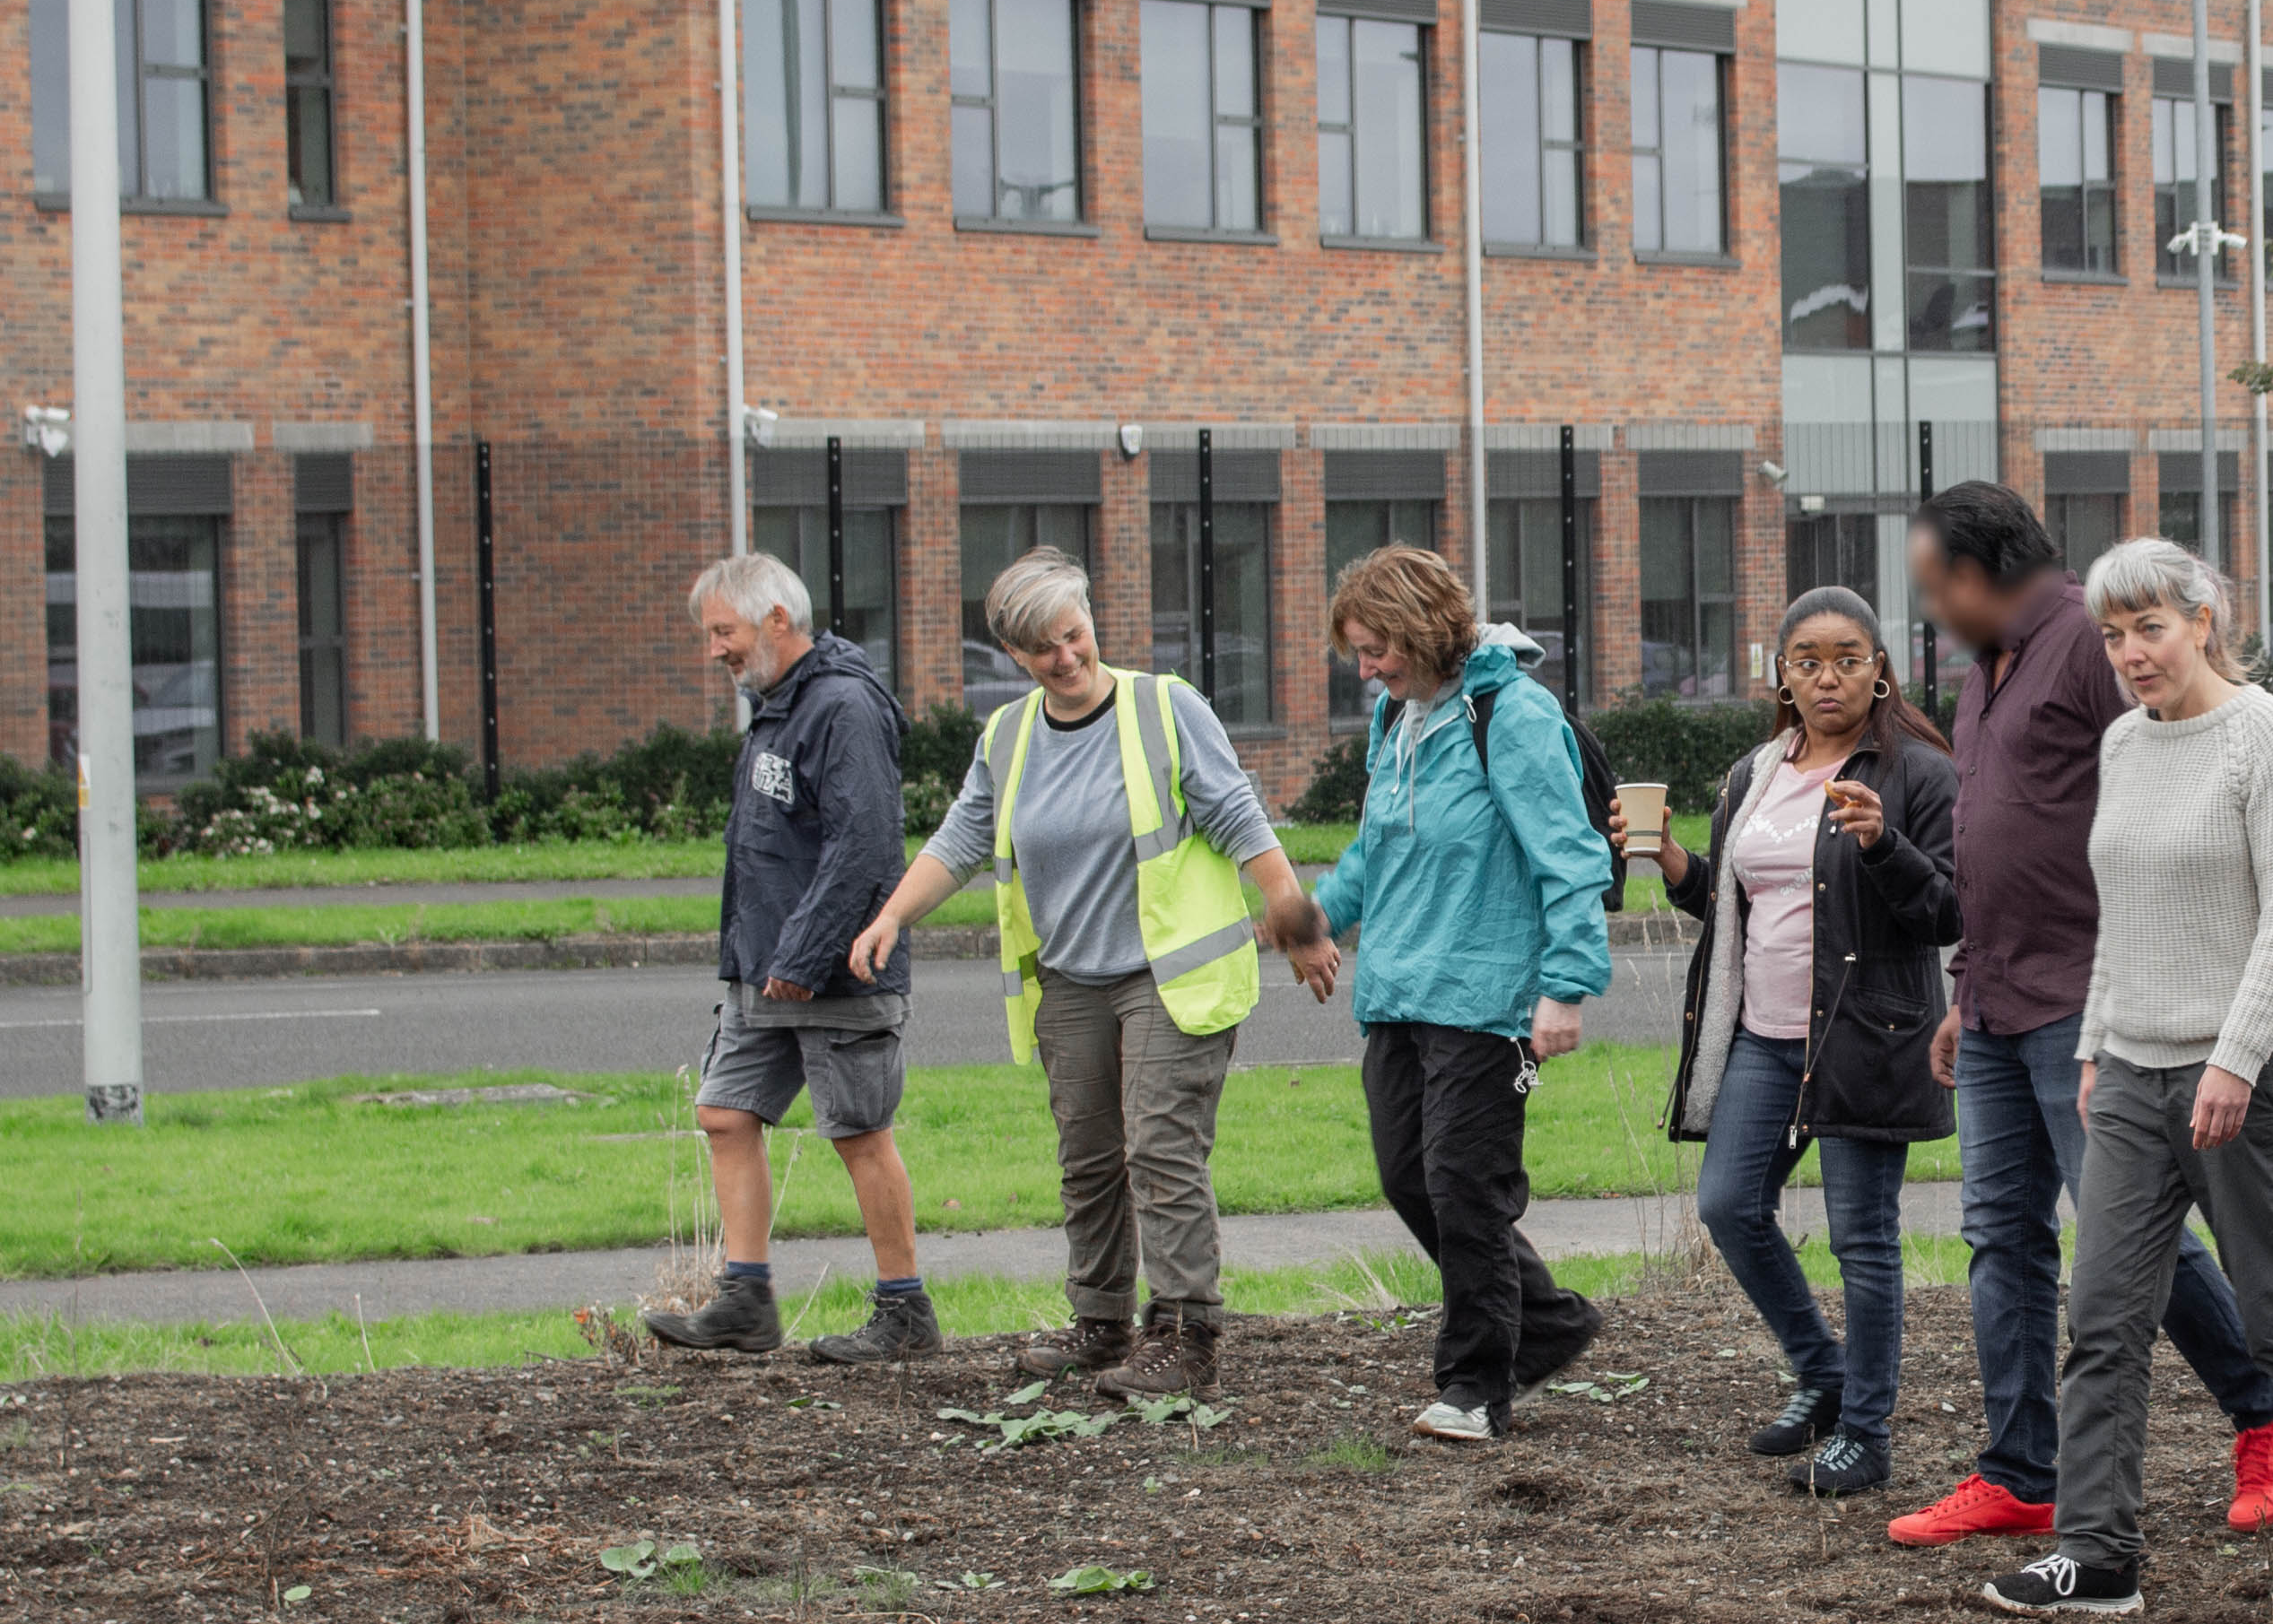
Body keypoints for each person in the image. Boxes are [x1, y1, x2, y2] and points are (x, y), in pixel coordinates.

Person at [1980, 537, 2273, 1620]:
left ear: (2203, 619)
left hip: (2247, 1070)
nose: (2132, 653)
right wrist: (2092, 1045)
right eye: (2114, 635)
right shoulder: (2125, 744)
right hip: (2130, 1069)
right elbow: (2117, 914)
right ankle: (2097, 1553)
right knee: (2105, 1314)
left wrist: (2232, 1055)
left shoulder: (2267, 735)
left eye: (2151, 629)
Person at [1885, 483, 2273, 1551]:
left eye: (1939, 583)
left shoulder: (2088, 639)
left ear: (1984, 573)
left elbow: (2183, 773)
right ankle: (2022, 1470)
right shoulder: (1986, 673)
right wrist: (1964, 977)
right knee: (2000, 1240)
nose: (1931, 607)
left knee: (2135, 1248)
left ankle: (2267, 1416)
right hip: (1993, 999)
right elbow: (1996, 837)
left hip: (2093, 1002)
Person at [845, 552, 1313, 1399]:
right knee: (1090, 1159)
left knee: (1161, 1149)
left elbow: (1237, 811)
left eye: (1074, 635)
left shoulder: (1163, 707)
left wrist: (1292, 910)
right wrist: (890, 918)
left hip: (1170, 976)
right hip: (1070, 981)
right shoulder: (1009, 736)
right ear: (1014, 655)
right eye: (1042, 648)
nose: (1065, 658)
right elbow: (960, 839)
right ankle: (1101, 1326)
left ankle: (1186, 1334)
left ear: (1091, 620)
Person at [1635, 586, 1963, 1501]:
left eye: (1848, 659)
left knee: (1865, 1240)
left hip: (1866, 1037)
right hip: (1764, 1037)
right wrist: (1673, 865)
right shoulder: (1756, 772)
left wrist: (1884, 846)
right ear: (1780, 673)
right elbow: (1732, 908)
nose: (1828, 678)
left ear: (1881, 669)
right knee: (1730, 1205)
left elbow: (1948, 910)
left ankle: (1866, 1432)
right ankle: (1822, 1371)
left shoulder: (1919, 775)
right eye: (1807, 660)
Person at [1285, 543, 1615, 1444]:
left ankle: (1475, 1385)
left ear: (1425, 630)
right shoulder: (1399, 723)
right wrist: (1317, 918)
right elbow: (1374, 851)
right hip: (1398, 992)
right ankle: (1544, 1323)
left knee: (1465, 1187)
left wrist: (1567, 987)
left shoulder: (1509, 715)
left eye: (1376, 648)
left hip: (1486, 997)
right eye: (1356, 652)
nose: (1366, 669)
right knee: (1408, 1178)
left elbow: (1571, 856)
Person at [654, 551, 938, 1360]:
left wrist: (809, 953)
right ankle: (746, 1303)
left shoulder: (842, 706)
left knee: (857, 1131)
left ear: (777, 619)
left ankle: (906, 1312)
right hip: (763, 966)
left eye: (724, 631)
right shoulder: (775, 703)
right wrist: (753, 957)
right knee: (724, 1113)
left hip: (835, 966)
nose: (715, 649)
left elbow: (866, 846)